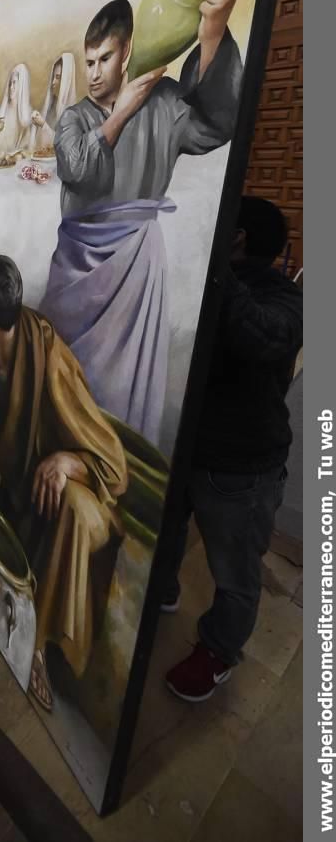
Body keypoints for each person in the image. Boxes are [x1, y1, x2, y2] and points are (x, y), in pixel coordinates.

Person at [40, 0, 244, 443]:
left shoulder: (165, 103)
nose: (93, 73)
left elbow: (216, 124)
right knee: (61, 377)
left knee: (120, 391)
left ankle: (114, 473)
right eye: (88, 61)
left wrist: (211, 33)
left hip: (136, 267)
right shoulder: (74, 117)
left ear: (127, 51)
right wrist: (122, 112)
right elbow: (77, 168)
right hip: (76, 269)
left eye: (105, 59)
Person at [0, 254, 127, 710]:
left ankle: (38, 646)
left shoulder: (47, 357)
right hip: (27, 493)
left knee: (74, 506)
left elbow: (113, 465)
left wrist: (65, 462)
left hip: (88, 498)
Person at [163, 197, 302, 702]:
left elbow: (264, 338)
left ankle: (218, 652)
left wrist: (219, 268)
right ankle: (163, 591)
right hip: (189, 446)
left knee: (236, 574)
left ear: (237, 237)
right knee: (167, 532)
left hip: (243, 470)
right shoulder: (213, 283)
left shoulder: (282, 298)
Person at [31, 53, 76, 150]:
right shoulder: (51, 105)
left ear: (66, 80)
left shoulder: (73, 113)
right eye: (53, 77)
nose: (53, 82)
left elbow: (65, 147)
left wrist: (43, 125)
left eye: (58, 77)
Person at [0, 63, 36, 158]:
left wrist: (18, 155)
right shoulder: (3, 112)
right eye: (10, 83)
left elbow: (29, 149)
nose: (11, 87)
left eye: (14, 83)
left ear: (22, 85)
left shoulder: (28, 114)